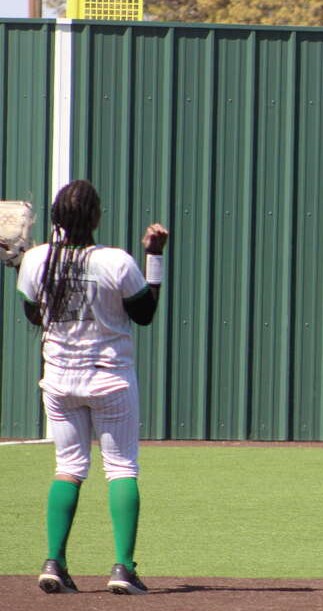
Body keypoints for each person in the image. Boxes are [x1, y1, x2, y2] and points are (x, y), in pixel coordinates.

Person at [15, 179, 169, 595]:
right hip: (109, 378)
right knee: (121, 468)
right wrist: (154, 257)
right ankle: (123, 568)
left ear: (54, 217)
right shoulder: (116, 261)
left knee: (68, 468)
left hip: (60, 379)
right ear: (97, 217)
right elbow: (146, 314)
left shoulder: (35, 260)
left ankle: (54, 562)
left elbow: (34, 317)